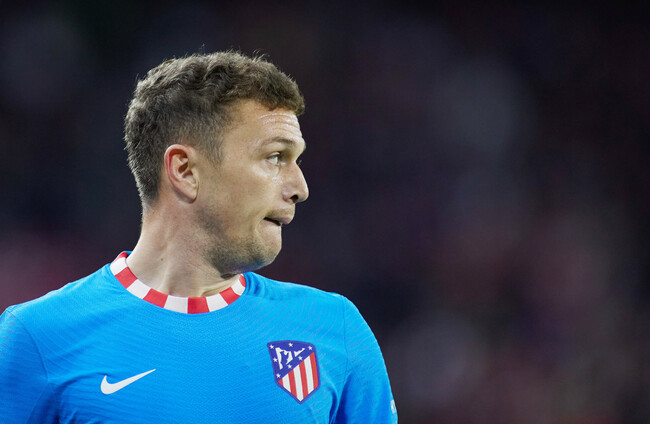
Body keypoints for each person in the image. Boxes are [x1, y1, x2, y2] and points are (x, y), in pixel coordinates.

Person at [0, 51, 397, 423]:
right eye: (276, 157)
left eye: (297, 160)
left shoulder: (334, 329)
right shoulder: (37, 338)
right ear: (185, 171)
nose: (300, 187)